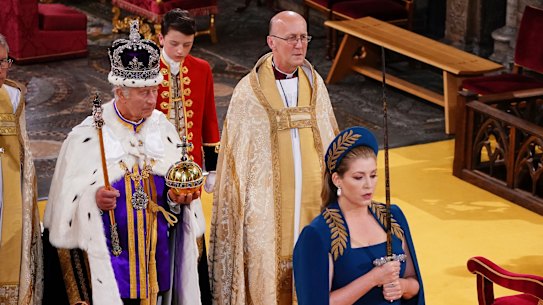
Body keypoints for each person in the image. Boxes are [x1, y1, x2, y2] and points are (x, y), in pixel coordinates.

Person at [43, 21, 202, 305]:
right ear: (121, 92)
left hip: (157, 251)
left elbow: (176, 194)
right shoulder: (89, 135)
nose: (153, 99)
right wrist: (94, 199)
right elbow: (66, 205)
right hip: (113, 259)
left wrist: (177, 197)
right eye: (144, 93)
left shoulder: (162, 128)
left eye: (154, 90)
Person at [209, 10, 339, 305]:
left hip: (312, 201)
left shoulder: (315, 84)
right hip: (265, 209)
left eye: (304, 37)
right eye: (291, 38)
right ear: (271, 42)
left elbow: (330, 137)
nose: (299, 45)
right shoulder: (249, 92)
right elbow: (237, 156)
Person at [293, 126, 424, 305]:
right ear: (337, 180)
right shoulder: (317, 234)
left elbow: (414, 283)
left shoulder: (393, 217)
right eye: (358, 177)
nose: (368, 185)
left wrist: (403, 286)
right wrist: (374, 278)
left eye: (373, 175)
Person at [155, 9, 220, 305]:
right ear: (160, 39)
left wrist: (213, 167)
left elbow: (209, 119)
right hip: (156, 170)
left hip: (191, 171)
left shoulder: (202, 68)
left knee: (192, 232)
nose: (180, 51)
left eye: (188, 45)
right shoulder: (147, 68)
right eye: (174, 44)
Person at [0, 33, 43, 305]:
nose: (2, 68)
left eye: (5, 61)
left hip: (6, 185)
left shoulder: (13, 96)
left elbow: (22, 149)